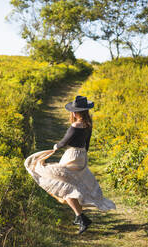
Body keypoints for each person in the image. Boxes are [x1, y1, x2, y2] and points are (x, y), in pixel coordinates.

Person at [24, 95, 116, 234]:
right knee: (69, 186)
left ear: (76, 112)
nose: (72, 113)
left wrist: (55, 147)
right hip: (82, 156)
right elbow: (87, 144)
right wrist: (81, 155)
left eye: (73, 110)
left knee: (64, 187)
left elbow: (64, 142)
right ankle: (80, 217)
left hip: (72, 156)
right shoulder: (88, 125)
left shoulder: (75, 126)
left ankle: (82, 218)